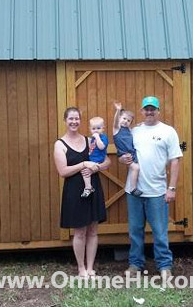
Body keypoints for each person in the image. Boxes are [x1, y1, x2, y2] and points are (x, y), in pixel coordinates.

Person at [119, 96, 182, 279]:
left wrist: (172, 188)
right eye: (146, 109)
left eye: (152, 109)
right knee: (135, 230)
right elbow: (124, 154)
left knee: (160, 231)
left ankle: (164, 266)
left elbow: (175, 160)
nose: (149, 112)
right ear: (141, 111)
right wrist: (122, 159)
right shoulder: (134, 131)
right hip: (134, 190)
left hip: (157, 191)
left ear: (158, 111)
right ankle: (135, 264)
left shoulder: (168, 131)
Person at [54, 107, 110, 278]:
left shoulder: (90, 140)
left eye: (77, 119)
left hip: (92, 188)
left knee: (93, 230)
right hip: (74, 192)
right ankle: (81, 269)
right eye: (70, 119)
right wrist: (84, 164)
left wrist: (96, 167)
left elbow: (106, 160)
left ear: (80, 120)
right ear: (65, 120)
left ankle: (91, 267)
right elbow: (63, 171)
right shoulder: (60, 144)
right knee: (79, 232)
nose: (74, 122)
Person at [112, 102, 142, 197]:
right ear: (120, 118)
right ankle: (133, 188)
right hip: (124, 153)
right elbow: (116, 121)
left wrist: (140, 125)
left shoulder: (129, 130)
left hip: (132, 152)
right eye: (124, 118)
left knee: (137, 168)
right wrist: (118, 110)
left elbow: (133, 129)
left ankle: (136, 186)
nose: (125, 121)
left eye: (128, 120)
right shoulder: (117, 128)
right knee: (135, 168)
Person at [81, 116, 109, 198]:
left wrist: (97, 138)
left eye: (98, 128)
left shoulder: (103, 137)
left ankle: (88, 187)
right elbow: (92, 148)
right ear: (90, 129)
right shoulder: (92, 139)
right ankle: (89, 187)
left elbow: (101, 147)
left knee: (85, 171)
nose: (96, 130)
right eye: (93, 129)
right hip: (93, 158)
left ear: (103, 129)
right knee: (85, 170)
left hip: (98, 159)